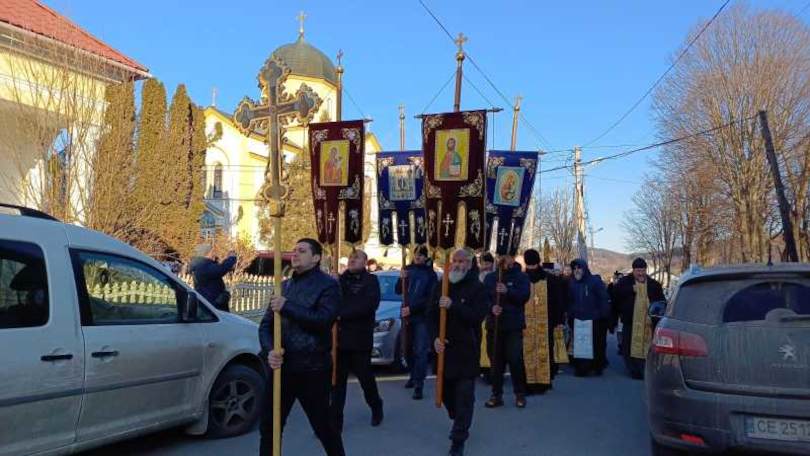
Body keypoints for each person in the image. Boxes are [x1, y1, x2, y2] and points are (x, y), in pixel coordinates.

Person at [258, 239, 345, 456]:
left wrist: (287, 306)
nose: (295, 254)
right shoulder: (284, 286)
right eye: (294, 250)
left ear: (316, 258)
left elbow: (324, 320)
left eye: (302, 251)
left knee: (323, 426)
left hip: (313, 368)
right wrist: (270, 350)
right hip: (282, 368)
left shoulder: (328, 285)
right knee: (270, 426)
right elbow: (266, 326)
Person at [428, 248, 489, 456]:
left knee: (464, 396)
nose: (457, 264)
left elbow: (476, 317)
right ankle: (459, 416)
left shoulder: (477, 289)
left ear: (470, 264)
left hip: (465, 351)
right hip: (444, 352)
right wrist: (434, 337)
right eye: (455, 260)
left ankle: (458, 438)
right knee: (446, 395)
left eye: (462, 261)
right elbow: (430, 316)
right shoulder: (442, 285)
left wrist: (454, 306)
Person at [329, 250, 384, 432]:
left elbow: (367, 306)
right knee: (337, 383)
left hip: (359, 339)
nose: (352, 260)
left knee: (365, 379)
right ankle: (335, 422)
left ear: (365, 262)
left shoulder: (371, 281)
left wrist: (341, 314)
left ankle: (376, 407)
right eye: (351, 258)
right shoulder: (340, 280)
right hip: (339, 341)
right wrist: (332, 284)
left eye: (357, 258)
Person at [483, 254, 531, 408]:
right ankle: (496, 394)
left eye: (508, 257)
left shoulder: (521, 277)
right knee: (495, 362)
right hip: (494, 325)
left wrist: (507, 291)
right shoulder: (490, 278)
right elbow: (483, 298)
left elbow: (524, 296)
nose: (505, 260)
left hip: (513, 326)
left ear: (513, 259)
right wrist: (491, 307)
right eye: (502, 256)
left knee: (515, 360)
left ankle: (520, 394)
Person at [395, 244, 438, 400]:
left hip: (421, 317)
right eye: (416, 254)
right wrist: (401, 278)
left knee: (420, 350)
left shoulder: (430, 275)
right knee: (406, 348)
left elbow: (430, 298)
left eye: (421, 255)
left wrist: (412, 309)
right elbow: (399, 290)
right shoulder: (408, 269)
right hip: (406, 315)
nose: (418, 257)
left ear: (426, 257)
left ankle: (419, 383)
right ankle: (413, 375)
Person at [611, 258, 665, 379]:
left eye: (642, 270)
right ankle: (633, 370)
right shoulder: (625, 282)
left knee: (647, 346)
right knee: (628, 346)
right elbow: (615, 296)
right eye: (637, 271)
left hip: (648, 323)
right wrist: (631, 290)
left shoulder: (654, 285)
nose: (640, 273)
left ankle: (645, 368)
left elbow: (661, 302)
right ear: (633, 270)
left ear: (645, 270)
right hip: (630, 321)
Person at [522, 249, 566, 394]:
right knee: (542, 350)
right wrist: (559, 320)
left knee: (531, 351)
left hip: (537, 321)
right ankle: (542, 381)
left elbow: (558, 300)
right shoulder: (549, 278)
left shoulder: (524, 278)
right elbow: (560, 301)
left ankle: (532, 382)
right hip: (539, 322)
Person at [567, 259, 611, 377]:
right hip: (578, 319)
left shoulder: (594, 281)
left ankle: (596, 366)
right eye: (574, 269)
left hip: (594, 319)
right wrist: (570, 314)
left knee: (595, 345)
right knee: (580, 344)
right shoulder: (571, 283)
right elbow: (569, 300)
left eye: (579, 268)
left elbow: (603, 299)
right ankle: (581, 368)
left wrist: (603, 315)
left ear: (584, 269)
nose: (577, 271)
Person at [188, 243, 236, 312]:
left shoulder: (202, 264)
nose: (214, 254)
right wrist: (231, 258)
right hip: (212, 303)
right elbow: (221, 269)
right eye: (212, 252)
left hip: (209, 301)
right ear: (207, 253)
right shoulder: (203, 265)